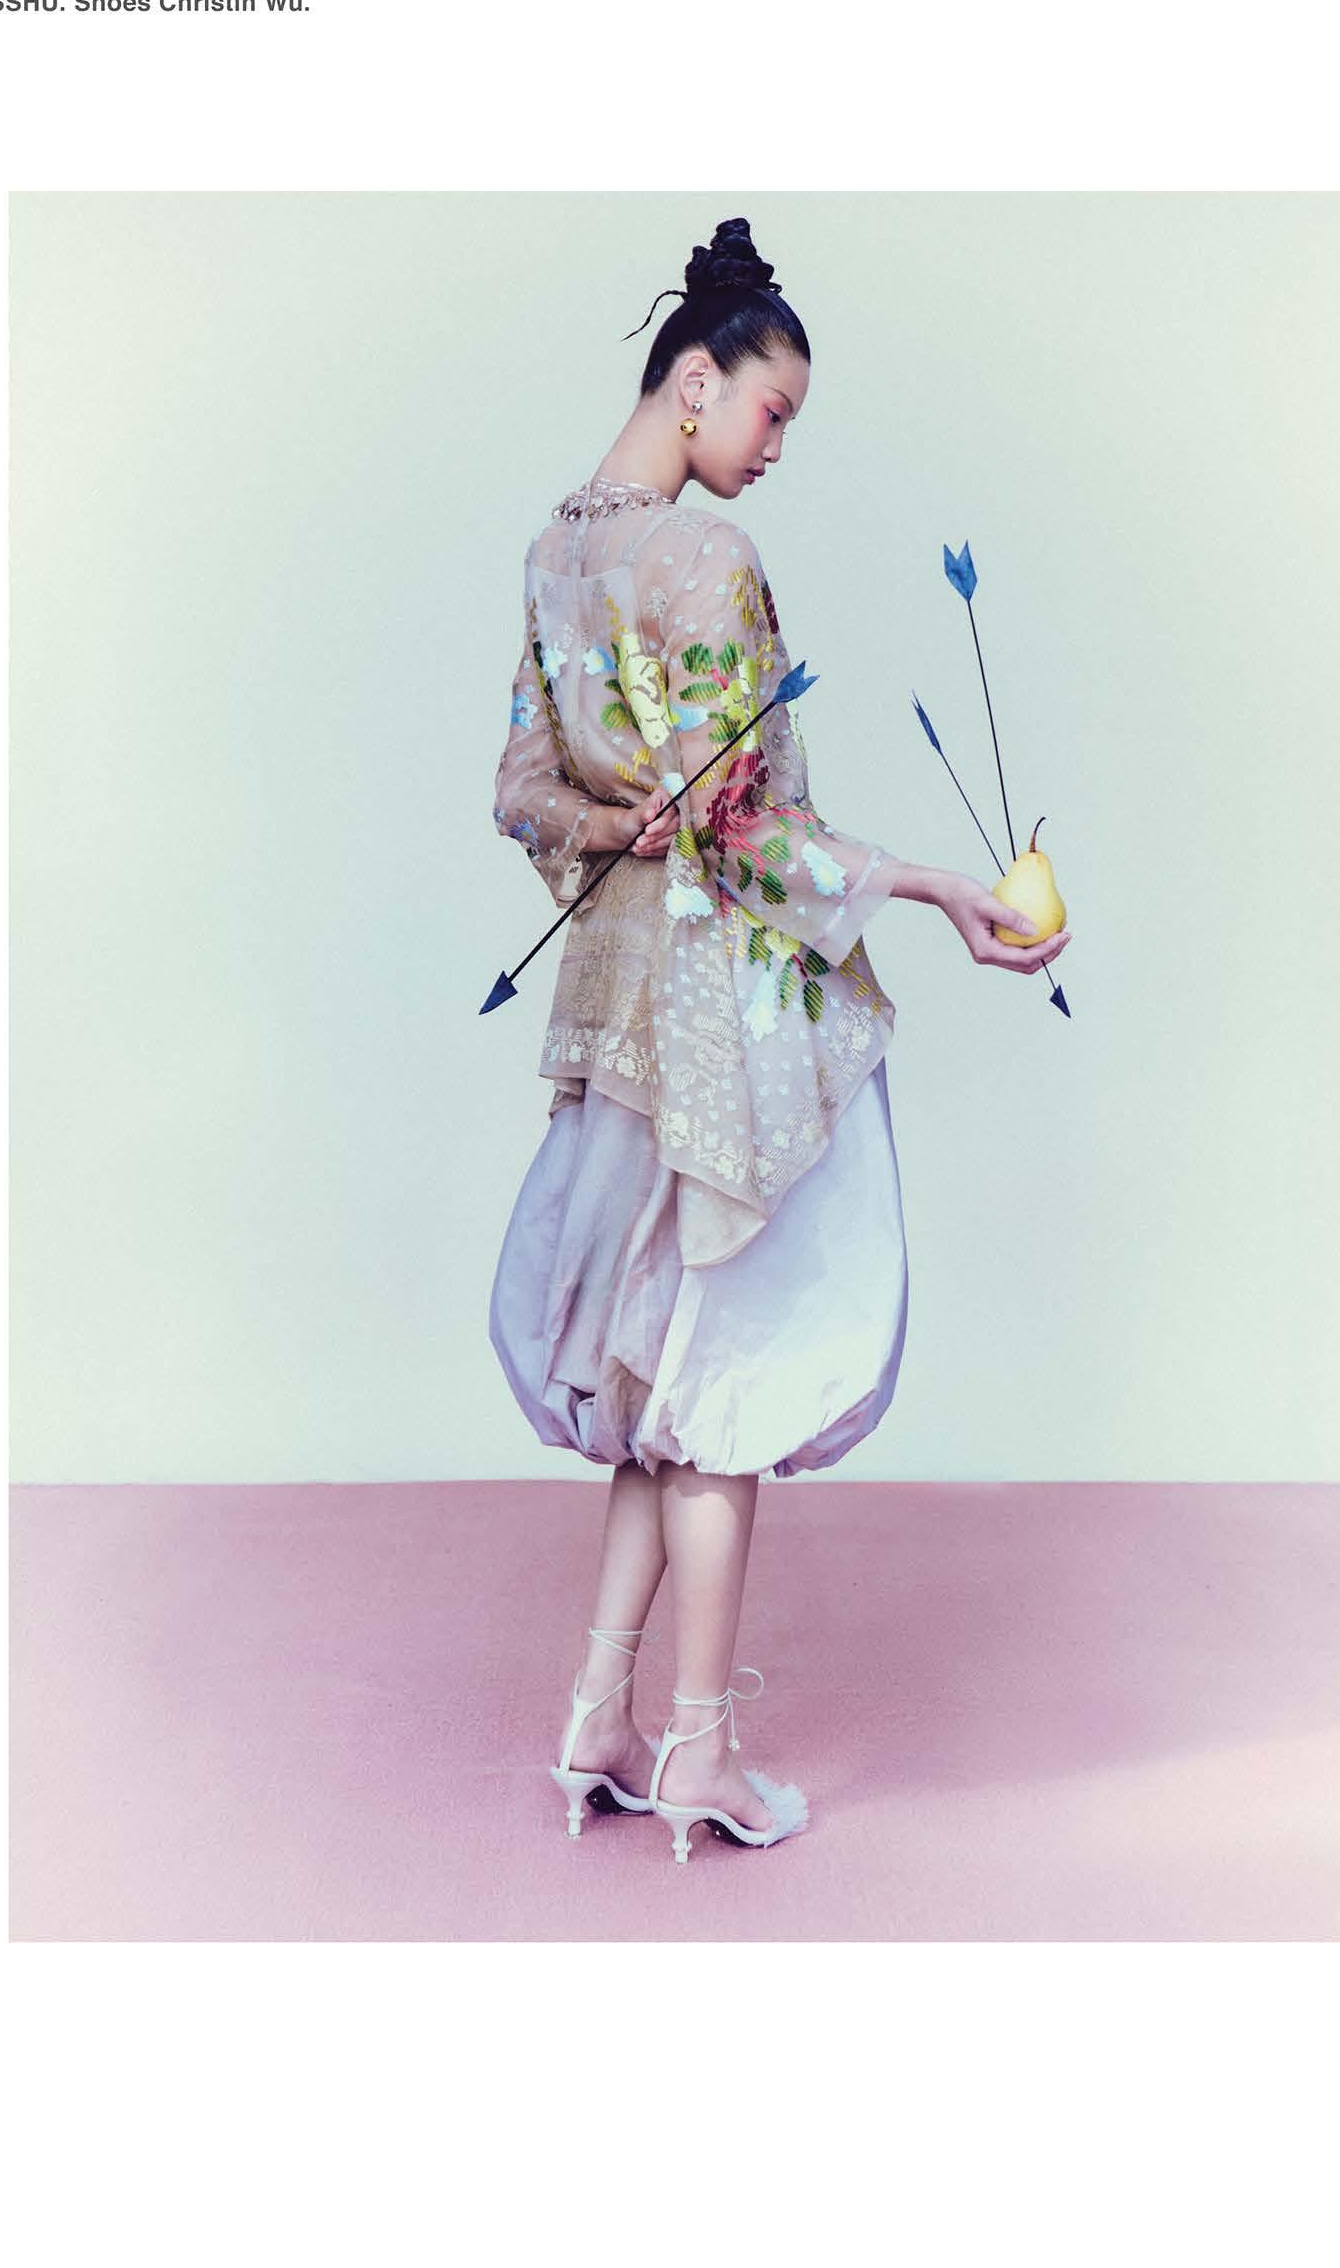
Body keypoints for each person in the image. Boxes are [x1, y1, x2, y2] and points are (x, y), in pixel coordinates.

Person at [488, 217, 1072, 1861]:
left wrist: (618, 823)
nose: (776, 444)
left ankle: (595, 1722)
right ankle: (697, 1752)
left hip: (610, 1008)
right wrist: (938, 887)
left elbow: (521, 791)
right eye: (771, 409)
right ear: (695, 380)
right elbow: (745, 830)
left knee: (654, 1386)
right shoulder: (706, 559)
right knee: (723, 1388)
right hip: (716, 1015)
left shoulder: (553, 551)